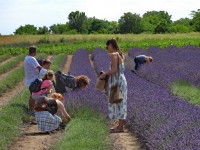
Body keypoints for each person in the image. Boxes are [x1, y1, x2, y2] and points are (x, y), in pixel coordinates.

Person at [99, 38, 127, 133]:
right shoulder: (120, 54)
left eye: (108, 45)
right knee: (121, 102)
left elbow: (114, 70)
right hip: (122, 80)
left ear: (112, 45)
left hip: (117, 81)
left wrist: (105, 74)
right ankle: (120, 126)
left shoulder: (113, 55)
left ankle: (120, 127)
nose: (107, 47)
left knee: (118, 102)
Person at [24, 46, 42, 111]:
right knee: (34, 96)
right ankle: (31, 110)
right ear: (34, 52)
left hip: (30, 79)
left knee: (32, 95)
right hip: (33, 80)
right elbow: (39, 68)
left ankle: (31, 109)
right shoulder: (32, 59)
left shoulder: (27, 57)